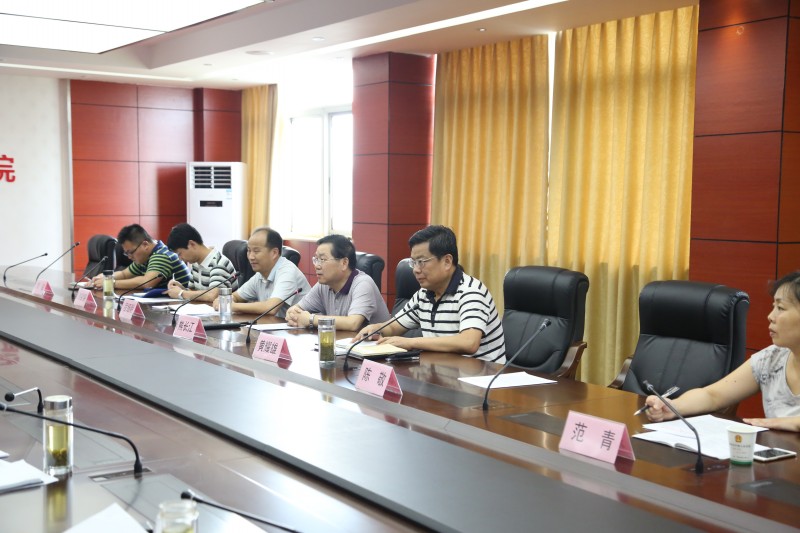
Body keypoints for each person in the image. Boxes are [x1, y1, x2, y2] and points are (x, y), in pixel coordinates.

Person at [645, 271, 800, 432]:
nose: (770, 316)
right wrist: (673, 407)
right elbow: (713, 395)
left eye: (781, 308)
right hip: (777, 447)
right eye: (773, 307)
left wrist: (792, 423)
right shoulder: (770, 359)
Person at [357, 225, 506, 362]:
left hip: (482, 376)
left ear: (447, 261)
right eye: (413, 262)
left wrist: (411, 342)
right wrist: (376, 328)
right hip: (443, 371)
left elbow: (469, 342)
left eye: (422, 262)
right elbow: (394, 327)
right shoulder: (423, 294)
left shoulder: (471, 292)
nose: (416, 270)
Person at [285, 235, 390, 331]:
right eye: (316, 259)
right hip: (341, 342)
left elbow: (353, 323)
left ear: (344, 263)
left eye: (322, 259)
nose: (317, 265)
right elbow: (297, 309)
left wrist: (311, 319)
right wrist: (292, 314)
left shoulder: (363, 284)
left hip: (376, 344)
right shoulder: (324, 285)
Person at [212, 226, 308, 318]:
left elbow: (271, 308)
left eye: (256, 251)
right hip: (273, 325)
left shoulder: (287, 272)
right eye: (249, 251)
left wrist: (230, 306)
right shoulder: (260, 274)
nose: (251, 257)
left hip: (302, 327)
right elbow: (237, 296)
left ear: (274, 253)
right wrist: (226, 300)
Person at [91, 224, 190, 290]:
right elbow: (124, 274)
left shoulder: (162, 255)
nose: (129, 257)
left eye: (131, 252)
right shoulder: (146, 257)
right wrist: (104, 277)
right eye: (126, 254)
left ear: (145, 245)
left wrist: (110, 283)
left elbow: (146, 283)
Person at [164, 223, 237, 302]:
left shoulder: (219, 263)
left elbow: (213, 295)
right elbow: (194, 292)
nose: (180, 259)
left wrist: (181, 293)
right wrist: (181, 288)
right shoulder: (196, 263)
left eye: (179, 253)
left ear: (192, 244)